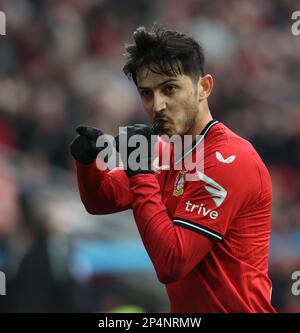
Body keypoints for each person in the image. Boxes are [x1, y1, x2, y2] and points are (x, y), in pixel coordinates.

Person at [70, 25, 276, 313]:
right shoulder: (167, 152)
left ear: (203, 87)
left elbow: (172, 263)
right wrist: (88, 164)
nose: (158, 105)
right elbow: (101, 200)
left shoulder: (231, 160)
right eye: (146, 93)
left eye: (170, 88)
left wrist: (139, 172)